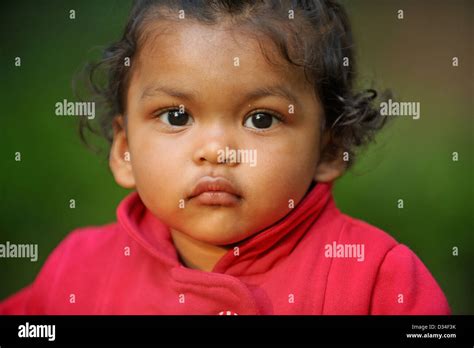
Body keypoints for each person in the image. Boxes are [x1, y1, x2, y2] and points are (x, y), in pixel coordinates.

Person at [0, 0, 450, 314]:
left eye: (261, 120)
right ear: (125, 151)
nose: (215, 150)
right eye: (176, 116)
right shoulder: (79, 271)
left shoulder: (374, 278)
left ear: (329, 148)